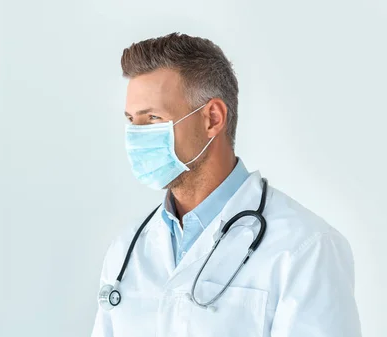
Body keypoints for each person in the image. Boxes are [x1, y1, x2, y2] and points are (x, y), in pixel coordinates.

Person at [91, 33, 361, 337]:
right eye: (131, 120)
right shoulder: (127, 249)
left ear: (213, 119)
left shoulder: (305, 249)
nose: (136, 137)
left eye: (153, 118)